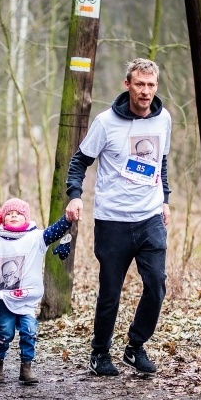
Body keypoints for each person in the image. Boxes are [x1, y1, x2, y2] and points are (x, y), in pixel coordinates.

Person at [65, 58, 172, 377]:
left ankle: (135, 347)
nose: (146, 91)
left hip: (150, 218)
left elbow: (161, 162)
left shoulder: (163, 118)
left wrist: (165, 199)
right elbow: (78, 162)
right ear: (127, 85)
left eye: (151, 85)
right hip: (113, 221)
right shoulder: (106, 122)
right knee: (110, 292)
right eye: (140, 84)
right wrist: (75, 196)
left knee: (156, 285)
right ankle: (99, 353)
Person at [0, 198, 72, 385]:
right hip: (4, 297)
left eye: (18, 213)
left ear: (26, 218)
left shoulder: (36, 238)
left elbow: (53, 232)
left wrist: (67, 219)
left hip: (27, 298)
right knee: (5, 332)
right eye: (9, 213)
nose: (13, 216)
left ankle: (26, 368)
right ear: (2, 218)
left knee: (29, 331)